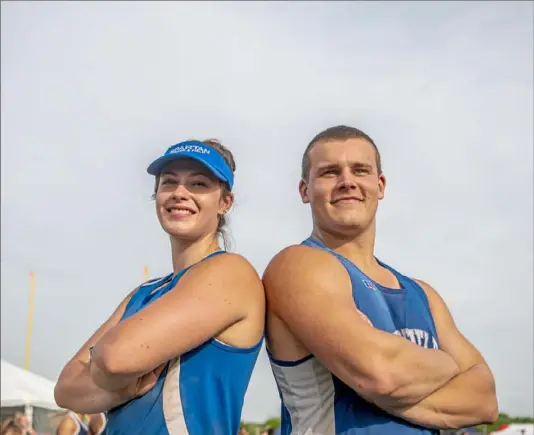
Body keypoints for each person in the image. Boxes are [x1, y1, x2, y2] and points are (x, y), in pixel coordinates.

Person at [263, 125, 498, 434]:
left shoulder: (422, 294)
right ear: (305, 190)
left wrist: (390, 384)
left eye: (360, 170)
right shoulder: (296, 265)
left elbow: (486, 401)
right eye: (330, 172)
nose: (347, 182)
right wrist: (451, 365)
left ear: (380, 185)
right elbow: (381, 375)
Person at [54, 139, 265, 435]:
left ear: (224, 203)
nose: (180, 193)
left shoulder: (231, 272)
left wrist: (102, 370)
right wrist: (124, 391)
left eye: (199, 184)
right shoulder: (145, 292)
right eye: (169, 182)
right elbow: (65, 388)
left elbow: (115, 357)